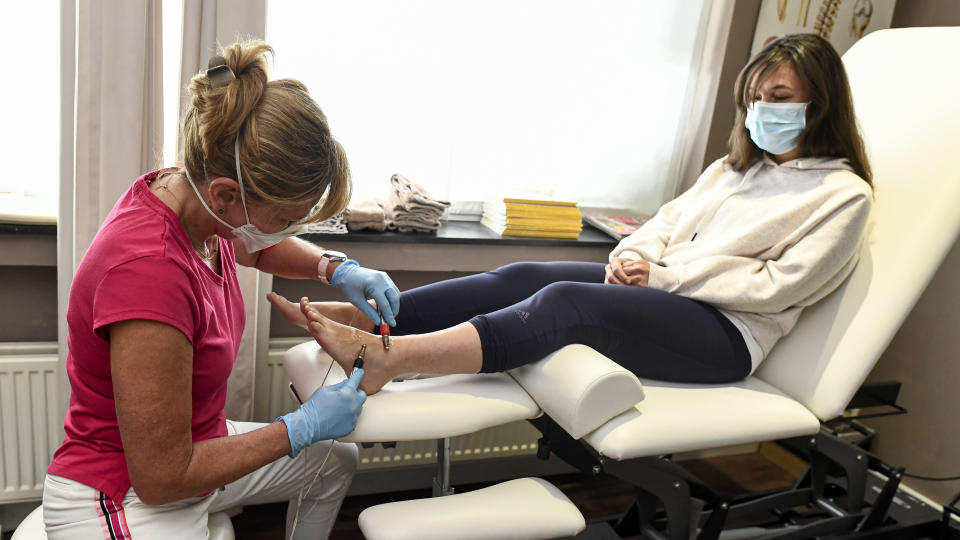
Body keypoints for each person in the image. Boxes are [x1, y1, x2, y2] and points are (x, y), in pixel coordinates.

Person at [270, 33, 873, 395]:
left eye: (780, 99)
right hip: (668, 296)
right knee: (529, 275)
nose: (760, 111)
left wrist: (662, 278)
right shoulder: (736, 169)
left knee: (565, 303)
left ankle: (388, 361)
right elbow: (664, 222)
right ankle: (374, 317)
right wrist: (634, 256)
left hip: (728, 335)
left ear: (821, 105)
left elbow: (775, 288)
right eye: (754, 99)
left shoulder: (842, 196)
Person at [43, 40, 398, 540]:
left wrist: (332, 267)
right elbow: (160, 476)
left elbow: (250, 241)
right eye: (287, 216)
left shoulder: (193, 202)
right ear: (230, 194)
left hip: (190, 453)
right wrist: (299, 425)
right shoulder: (147, 272)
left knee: (331, 462)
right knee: (315, 443)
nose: (284, 231)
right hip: (125, 498)